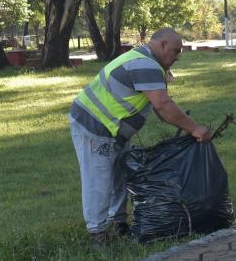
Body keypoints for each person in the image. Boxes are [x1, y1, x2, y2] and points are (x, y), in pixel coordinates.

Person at [69, 28, 213, 246]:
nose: (177, 57)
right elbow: (163, 106)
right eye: (175, 51)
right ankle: (97, 234)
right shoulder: (146, 65)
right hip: (94, 126)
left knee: (118, 174)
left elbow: (161, 109)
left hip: (112, 129)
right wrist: (194, 128)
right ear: (163, 45)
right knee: (98, 179)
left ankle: (118, 223)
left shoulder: (146, 61)